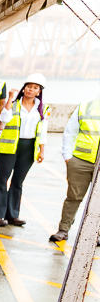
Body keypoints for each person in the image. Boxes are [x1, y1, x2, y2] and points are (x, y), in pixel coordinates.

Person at [0, 73, 46, 228]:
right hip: (9, 147)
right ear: (24, 88)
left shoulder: (42, 108)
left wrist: (42, 151)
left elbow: (43, 130)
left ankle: (12, 215)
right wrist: (10, 99)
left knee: (18, 182)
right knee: (2, 180)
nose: (31, 90)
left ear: (39, 91)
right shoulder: (14, 104)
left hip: (29, 148)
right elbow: (3, 119)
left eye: (35, 88)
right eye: (28, 86)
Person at [51, 92, 100, 242]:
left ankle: (97, 234)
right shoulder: (85, 107)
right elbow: (70, 132)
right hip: (81, 161)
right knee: (73, 197)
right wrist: (68, 157)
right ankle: (63, 230)